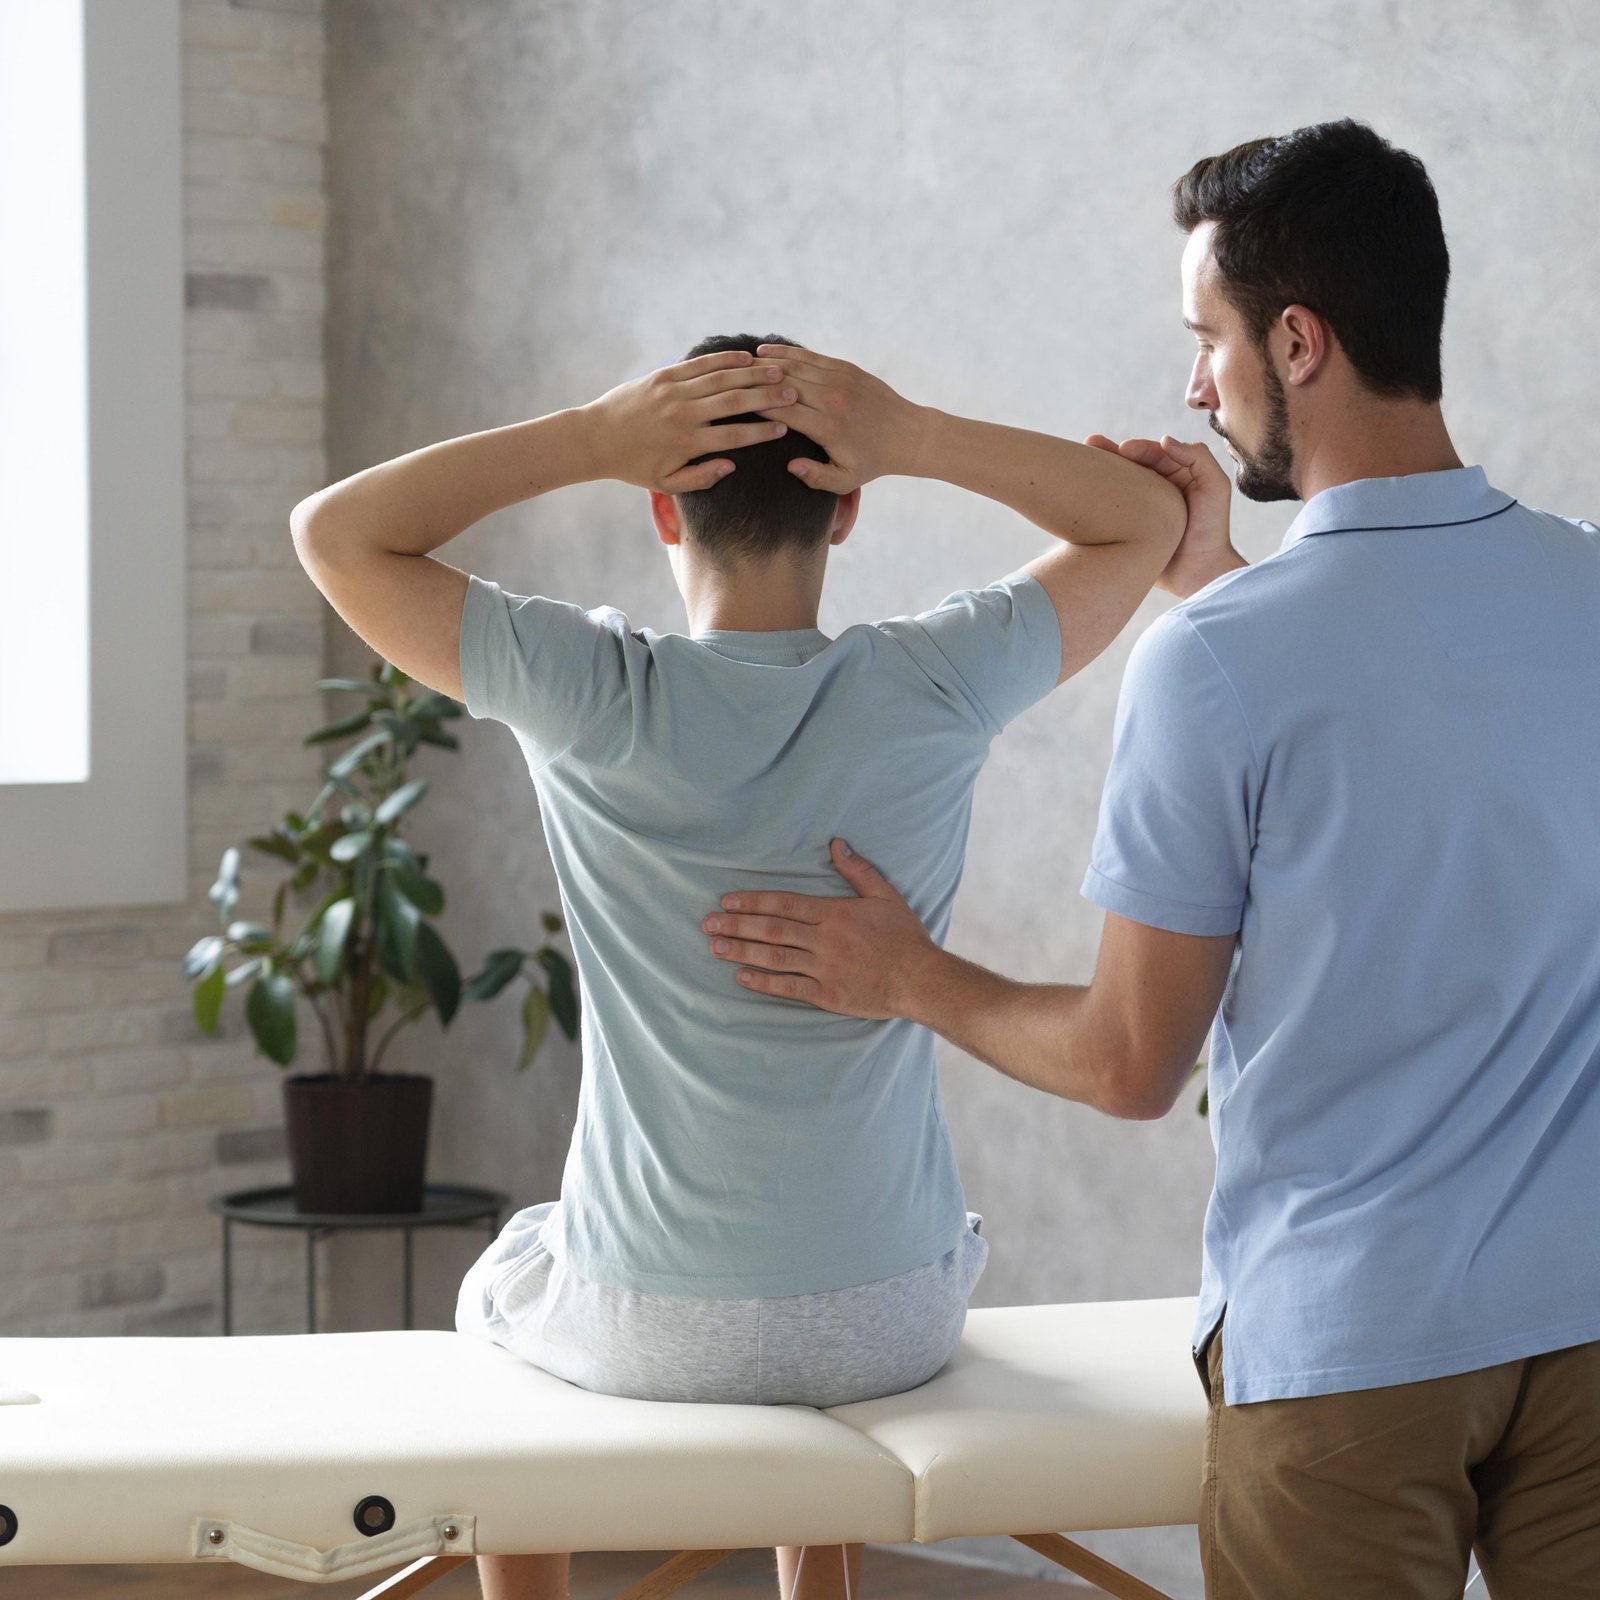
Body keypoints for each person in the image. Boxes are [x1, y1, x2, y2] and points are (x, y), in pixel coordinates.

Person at [702, 122, 1600, 1599]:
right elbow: (1423, 733)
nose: (1196, 382)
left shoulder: (1223, 663)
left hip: (1355, 1351)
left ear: (1297, 341)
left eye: (1209, 339)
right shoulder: (1575, 584)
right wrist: (1219, 586)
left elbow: (1129, 1062)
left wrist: (913, 977)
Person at [288, 333, 1184, 1600]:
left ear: (659, 502)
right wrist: (916, 427)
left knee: (516, 1272)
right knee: (779, 1277)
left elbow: (337, 534)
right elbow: (1145, 522)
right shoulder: (931, 681)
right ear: (849, 506)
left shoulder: (589, 692)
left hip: (651, 1328)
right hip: (888, 1319)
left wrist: (590, 434)